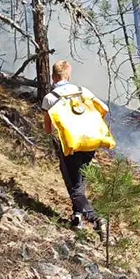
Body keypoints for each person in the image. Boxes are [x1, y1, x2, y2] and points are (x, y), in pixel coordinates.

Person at [42, 60, 108, 237]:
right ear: (68, 75)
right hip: (89, 142)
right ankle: (77, 216)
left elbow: (48, 130)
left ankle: (95, 219)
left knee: (74, 186)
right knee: (80, 178)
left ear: (53, 76)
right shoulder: (82, 91)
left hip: (70, 145)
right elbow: (105, 108)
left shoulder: (50, 98)